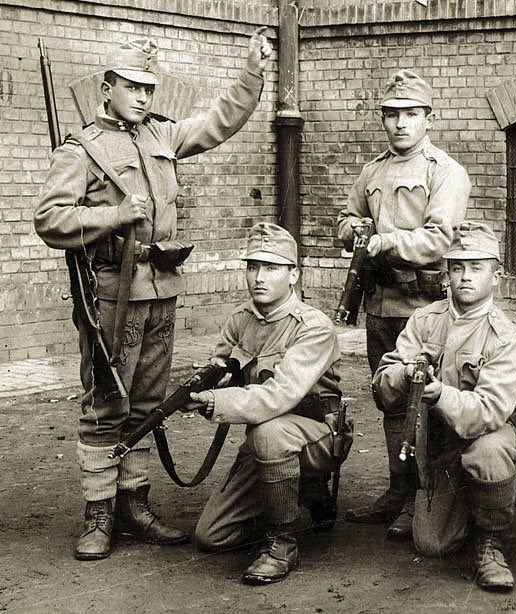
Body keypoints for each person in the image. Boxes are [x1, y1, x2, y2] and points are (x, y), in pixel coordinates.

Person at [33, 30, 272, 561]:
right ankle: (98, 514)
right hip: (112, 297)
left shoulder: (162, 135)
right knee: (105, 401)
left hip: (161, 288)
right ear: (107, 88)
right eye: (132, 87)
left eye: (149, 88)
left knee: (146, 400)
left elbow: (218, 123)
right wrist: (114, 215)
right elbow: (49, 218)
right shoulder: (82, 149)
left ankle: (134, 504)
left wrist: (252, 72)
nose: (143, 96)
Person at [336, 69, 470, 540]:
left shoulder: (445, 172)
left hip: (426, 306)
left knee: (426, 400)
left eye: (410, 114)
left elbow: (438, 239)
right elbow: (350, 215)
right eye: (391, 115)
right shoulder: (372, 171)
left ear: (428, 119)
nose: (399, 124)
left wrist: (384, 241)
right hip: (381, 303)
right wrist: (350, 230)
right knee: (389, 398)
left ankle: (424, 495)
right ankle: (399, 488)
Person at [189, 223, 350, 584]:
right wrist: (201, 387)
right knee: (212, 536)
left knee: (268, 431)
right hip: (266, 441)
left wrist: (217, 402)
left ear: (294, 274)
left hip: (319, 435)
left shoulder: (313, 327)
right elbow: (221, 369)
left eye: (272, 268)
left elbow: (279, 395)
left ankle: (282, 542)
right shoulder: (240, 320)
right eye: (252, 266)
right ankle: (300, 492)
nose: (259, 277)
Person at [372, 222, 516, 592]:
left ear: (496, 275)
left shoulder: (504, 336)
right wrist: (405, 373)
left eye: (477, 268)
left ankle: (489, 542)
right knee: (431, 544)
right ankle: (439, 502)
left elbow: (490, 410)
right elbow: (381, 387)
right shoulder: (425, 320)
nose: (465, 277)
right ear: (447, 273)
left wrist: (440, 395)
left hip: (481, 437)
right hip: (435, 445)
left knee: (491, 450)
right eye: (457, 267)